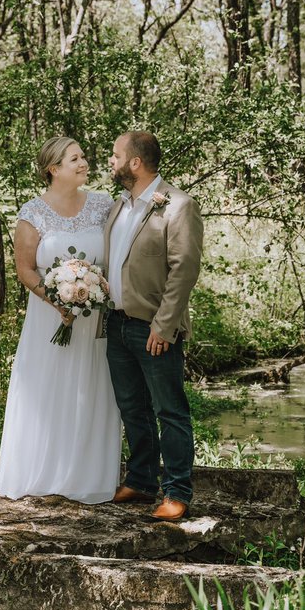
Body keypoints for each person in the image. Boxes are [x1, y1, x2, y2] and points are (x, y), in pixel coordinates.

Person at [0, 137, 122, 504]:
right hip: (48, 319)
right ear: (54, 168)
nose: (84, 162)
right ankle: (40, 472)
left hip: (93, 319)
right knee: (46, 389)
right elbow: (25, 269)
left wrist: (91, 289)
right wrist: (57, 298)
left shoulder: (102, 206)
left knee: (90, 389)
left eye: (83, 156)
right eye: (75, 158)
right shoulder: (33, 212)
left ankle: (85, 475)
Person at [103, 131, 203, 521]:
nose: (110, 162)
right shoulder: (118, 207)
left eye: (115, 156)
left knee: (170, 411)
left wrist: (164, 326)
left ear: (135, 163)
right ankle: (142, 479)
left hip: (154, 328)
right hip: (117, 324)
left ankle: (177, 492)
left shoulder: (179, 206)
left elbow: (184, 271)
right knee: (132, 407)